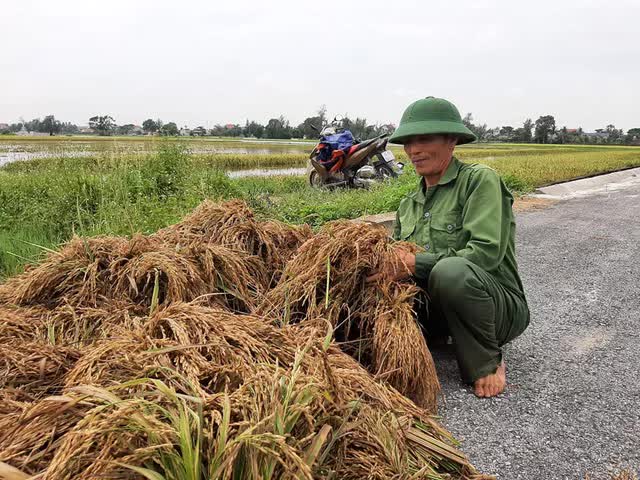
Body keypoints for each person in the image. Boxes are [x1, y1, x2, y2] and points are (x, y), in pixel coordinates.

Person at [367, 97, 529, 398]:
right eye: (408, 142)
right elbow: (398, 264)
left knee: (450, 271)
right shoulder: (408, 205)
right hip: (440, 309)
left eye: (425, 139)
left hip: (495, 306)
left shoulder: (479, 181)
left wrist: (414, 263)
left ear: (452, 140)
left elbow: (485, 253)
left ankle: (486, 361)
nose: (414, 150)